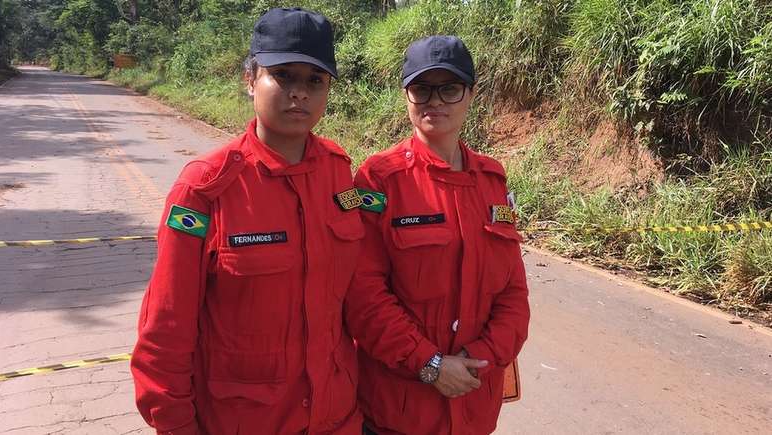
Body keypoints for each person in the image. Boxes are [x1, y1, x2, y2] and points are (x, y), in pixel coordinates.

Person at [131, 8, 364, 435]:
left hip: (335, 417)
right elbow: (165, 331)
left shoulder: (337, 172)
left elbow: (355, 299)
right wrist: (177, 425)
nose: (300, 93)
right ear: (250, 80)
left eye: (315, 80)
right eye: (284, 76)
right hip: (244, 421)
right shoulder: (204, 190)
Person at [345, 35, 530, 435]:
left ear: (470, 94)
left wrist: (477, 358)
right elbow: (363, 294)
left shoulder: (493, 180)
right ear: (406, 95)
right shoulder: (378, 180)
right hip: (398, 412)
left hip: (474, 406)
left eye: (449, 88)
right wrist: (428, 364)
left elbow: (513, 293)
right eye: (422, 89)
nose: (435, 101)